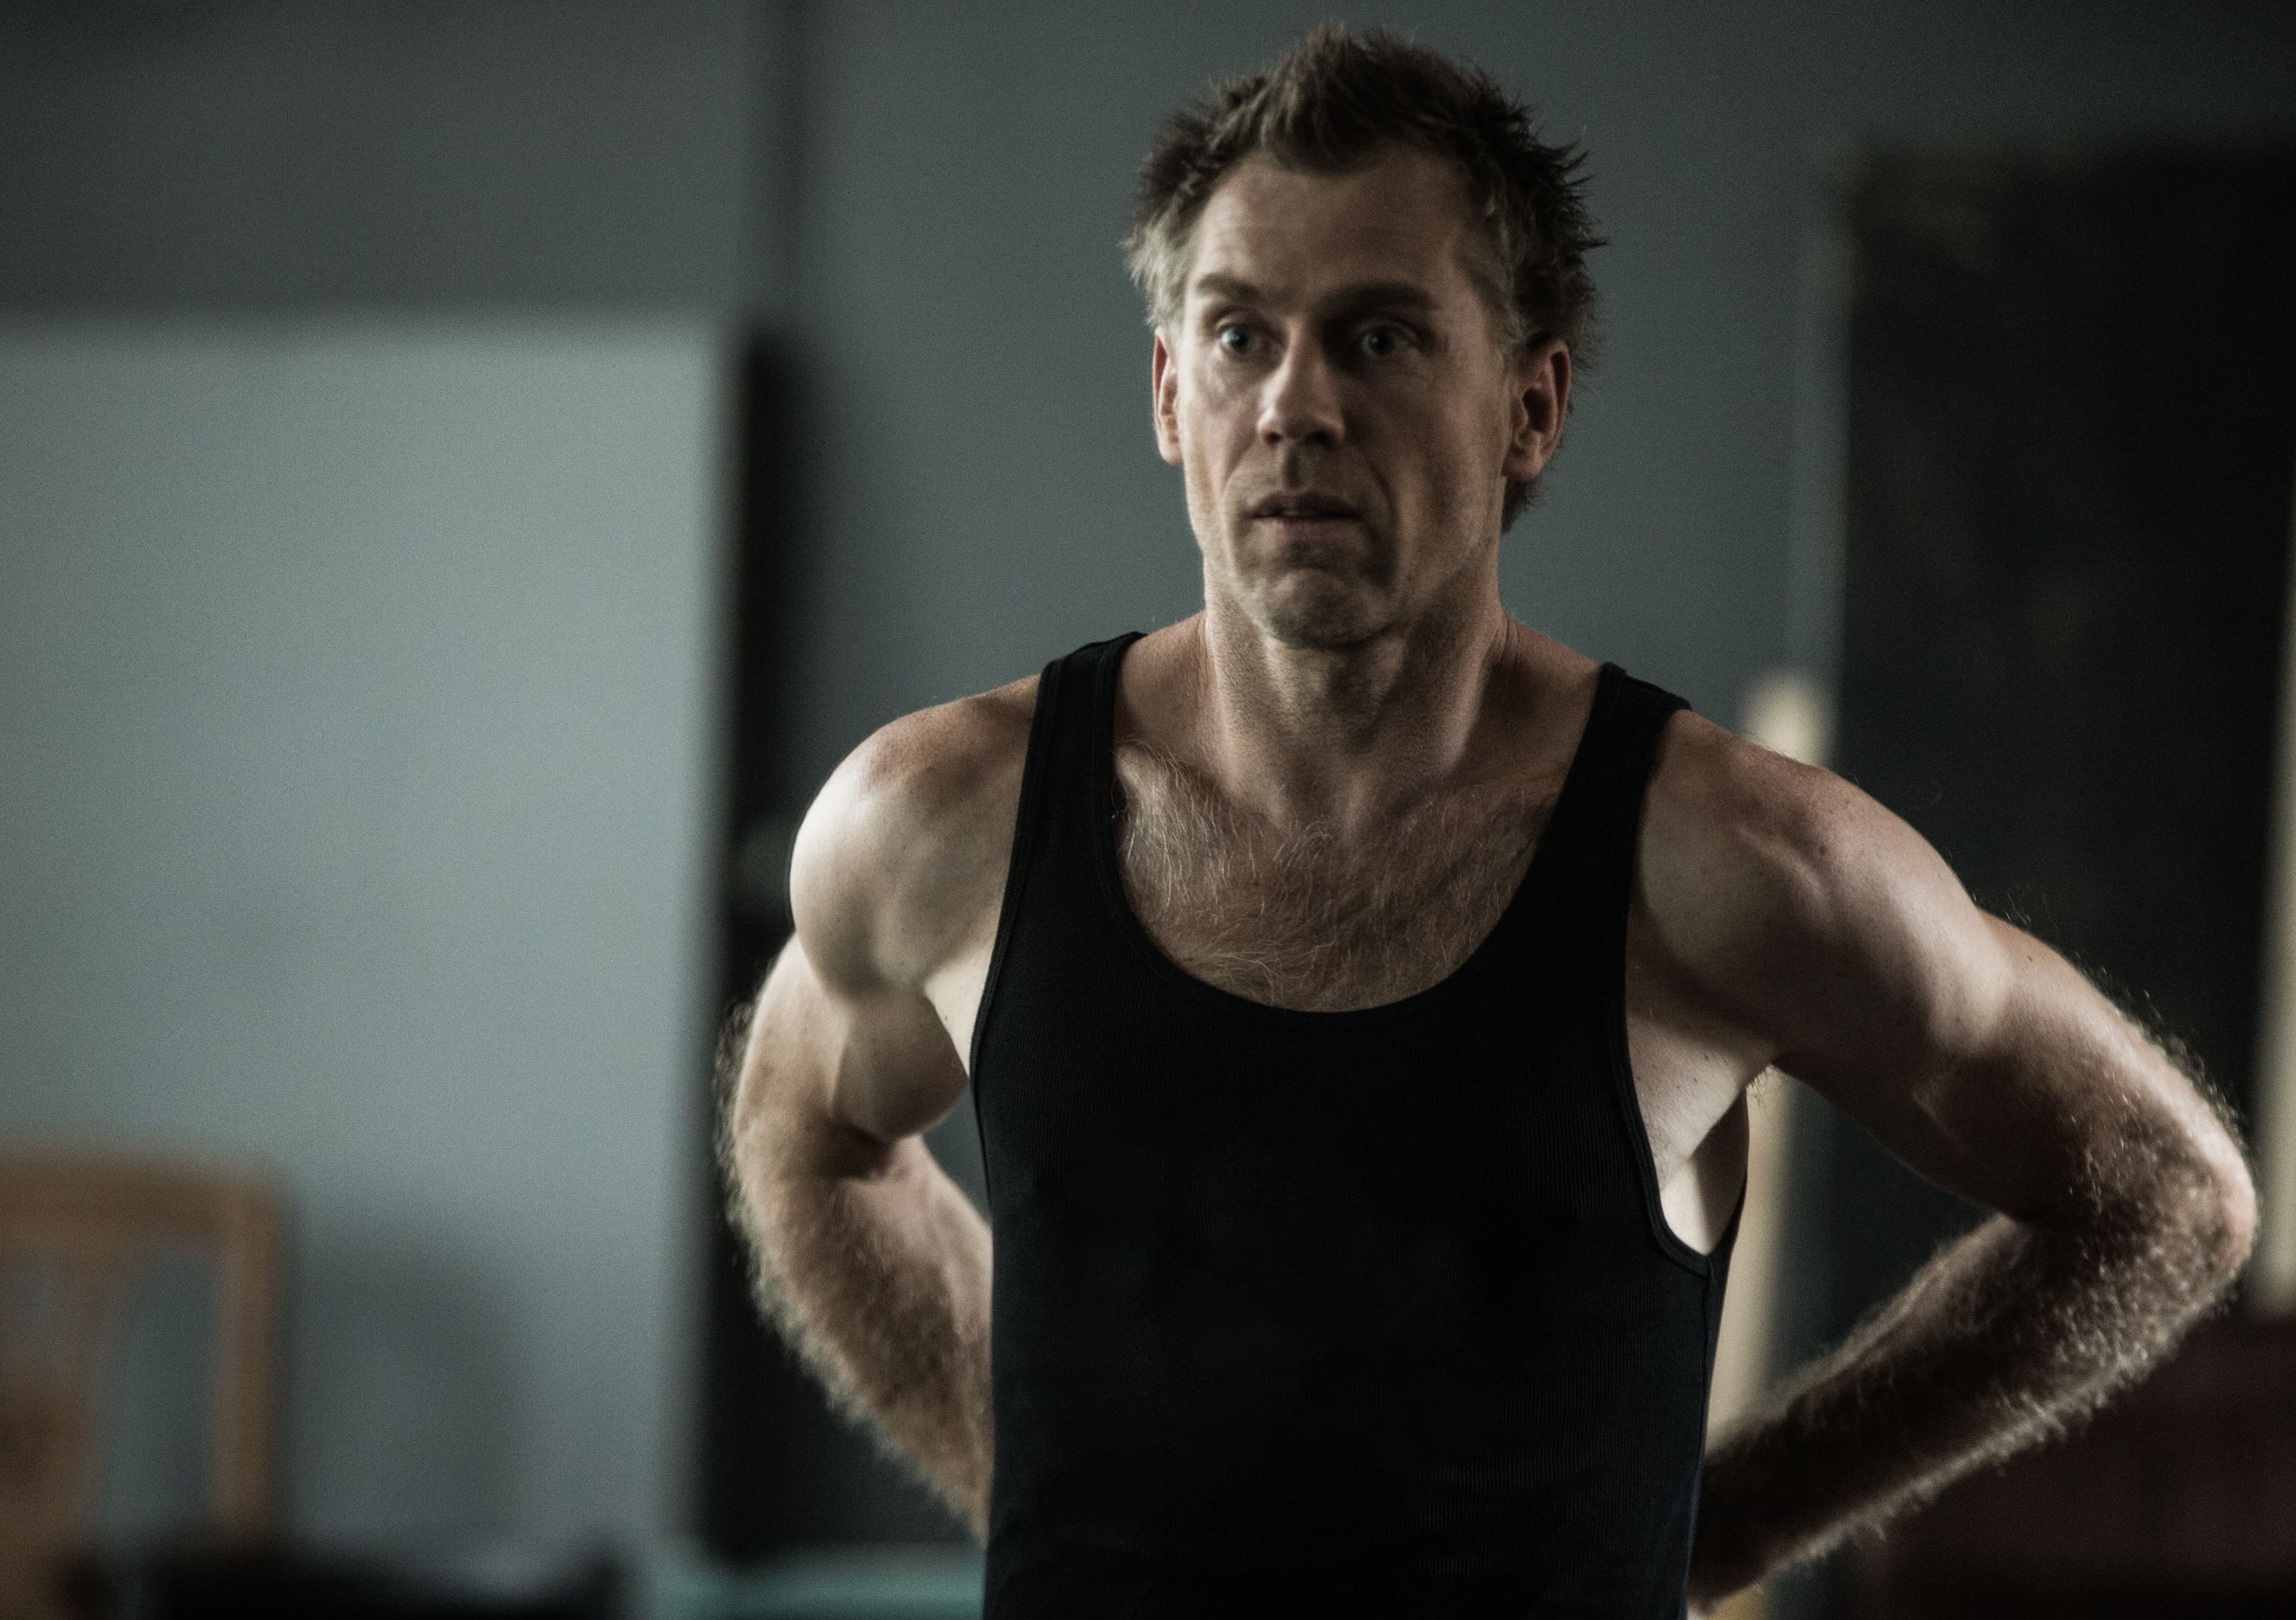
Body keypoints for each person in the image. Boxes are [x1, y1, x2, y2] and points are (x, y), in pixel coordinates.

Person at [719, 24, 2256, 1618]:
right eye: (1240, 335)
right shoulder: (942, 820)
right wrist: (1024, 1477)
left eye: (1380, 337)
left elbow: (2164, 1196)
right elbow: (798, 1124)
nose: (1297, 403)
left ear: (1531, 406)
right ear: (1171, 391)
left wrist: (1728, 1524)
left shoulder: (1730, 866)